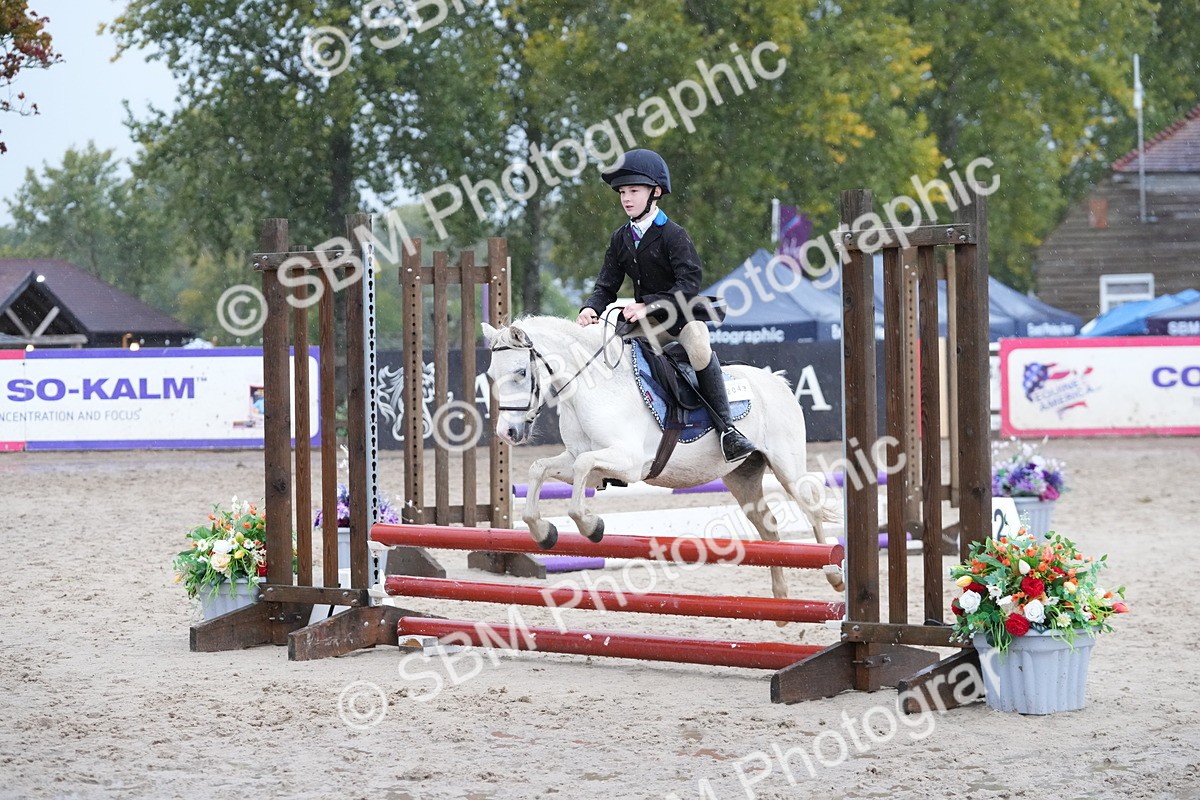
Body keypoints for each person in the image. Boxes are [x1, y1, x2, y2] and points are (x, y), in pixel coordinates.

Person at [576, 148, 755, 462]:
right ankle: (614, 441)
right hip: (645, 325)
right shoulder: (620, 238)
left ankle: (727, 430)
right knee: (612, 358)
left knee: (699, 346)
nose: (626, 198)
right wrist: (591, 307)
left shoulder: (674, 235)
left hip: (680, 318)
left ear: (655, 192)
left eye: (634, 191)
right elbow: (606, 285)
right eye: (623, 192)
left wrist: (647, 305)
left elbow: (689, 284)